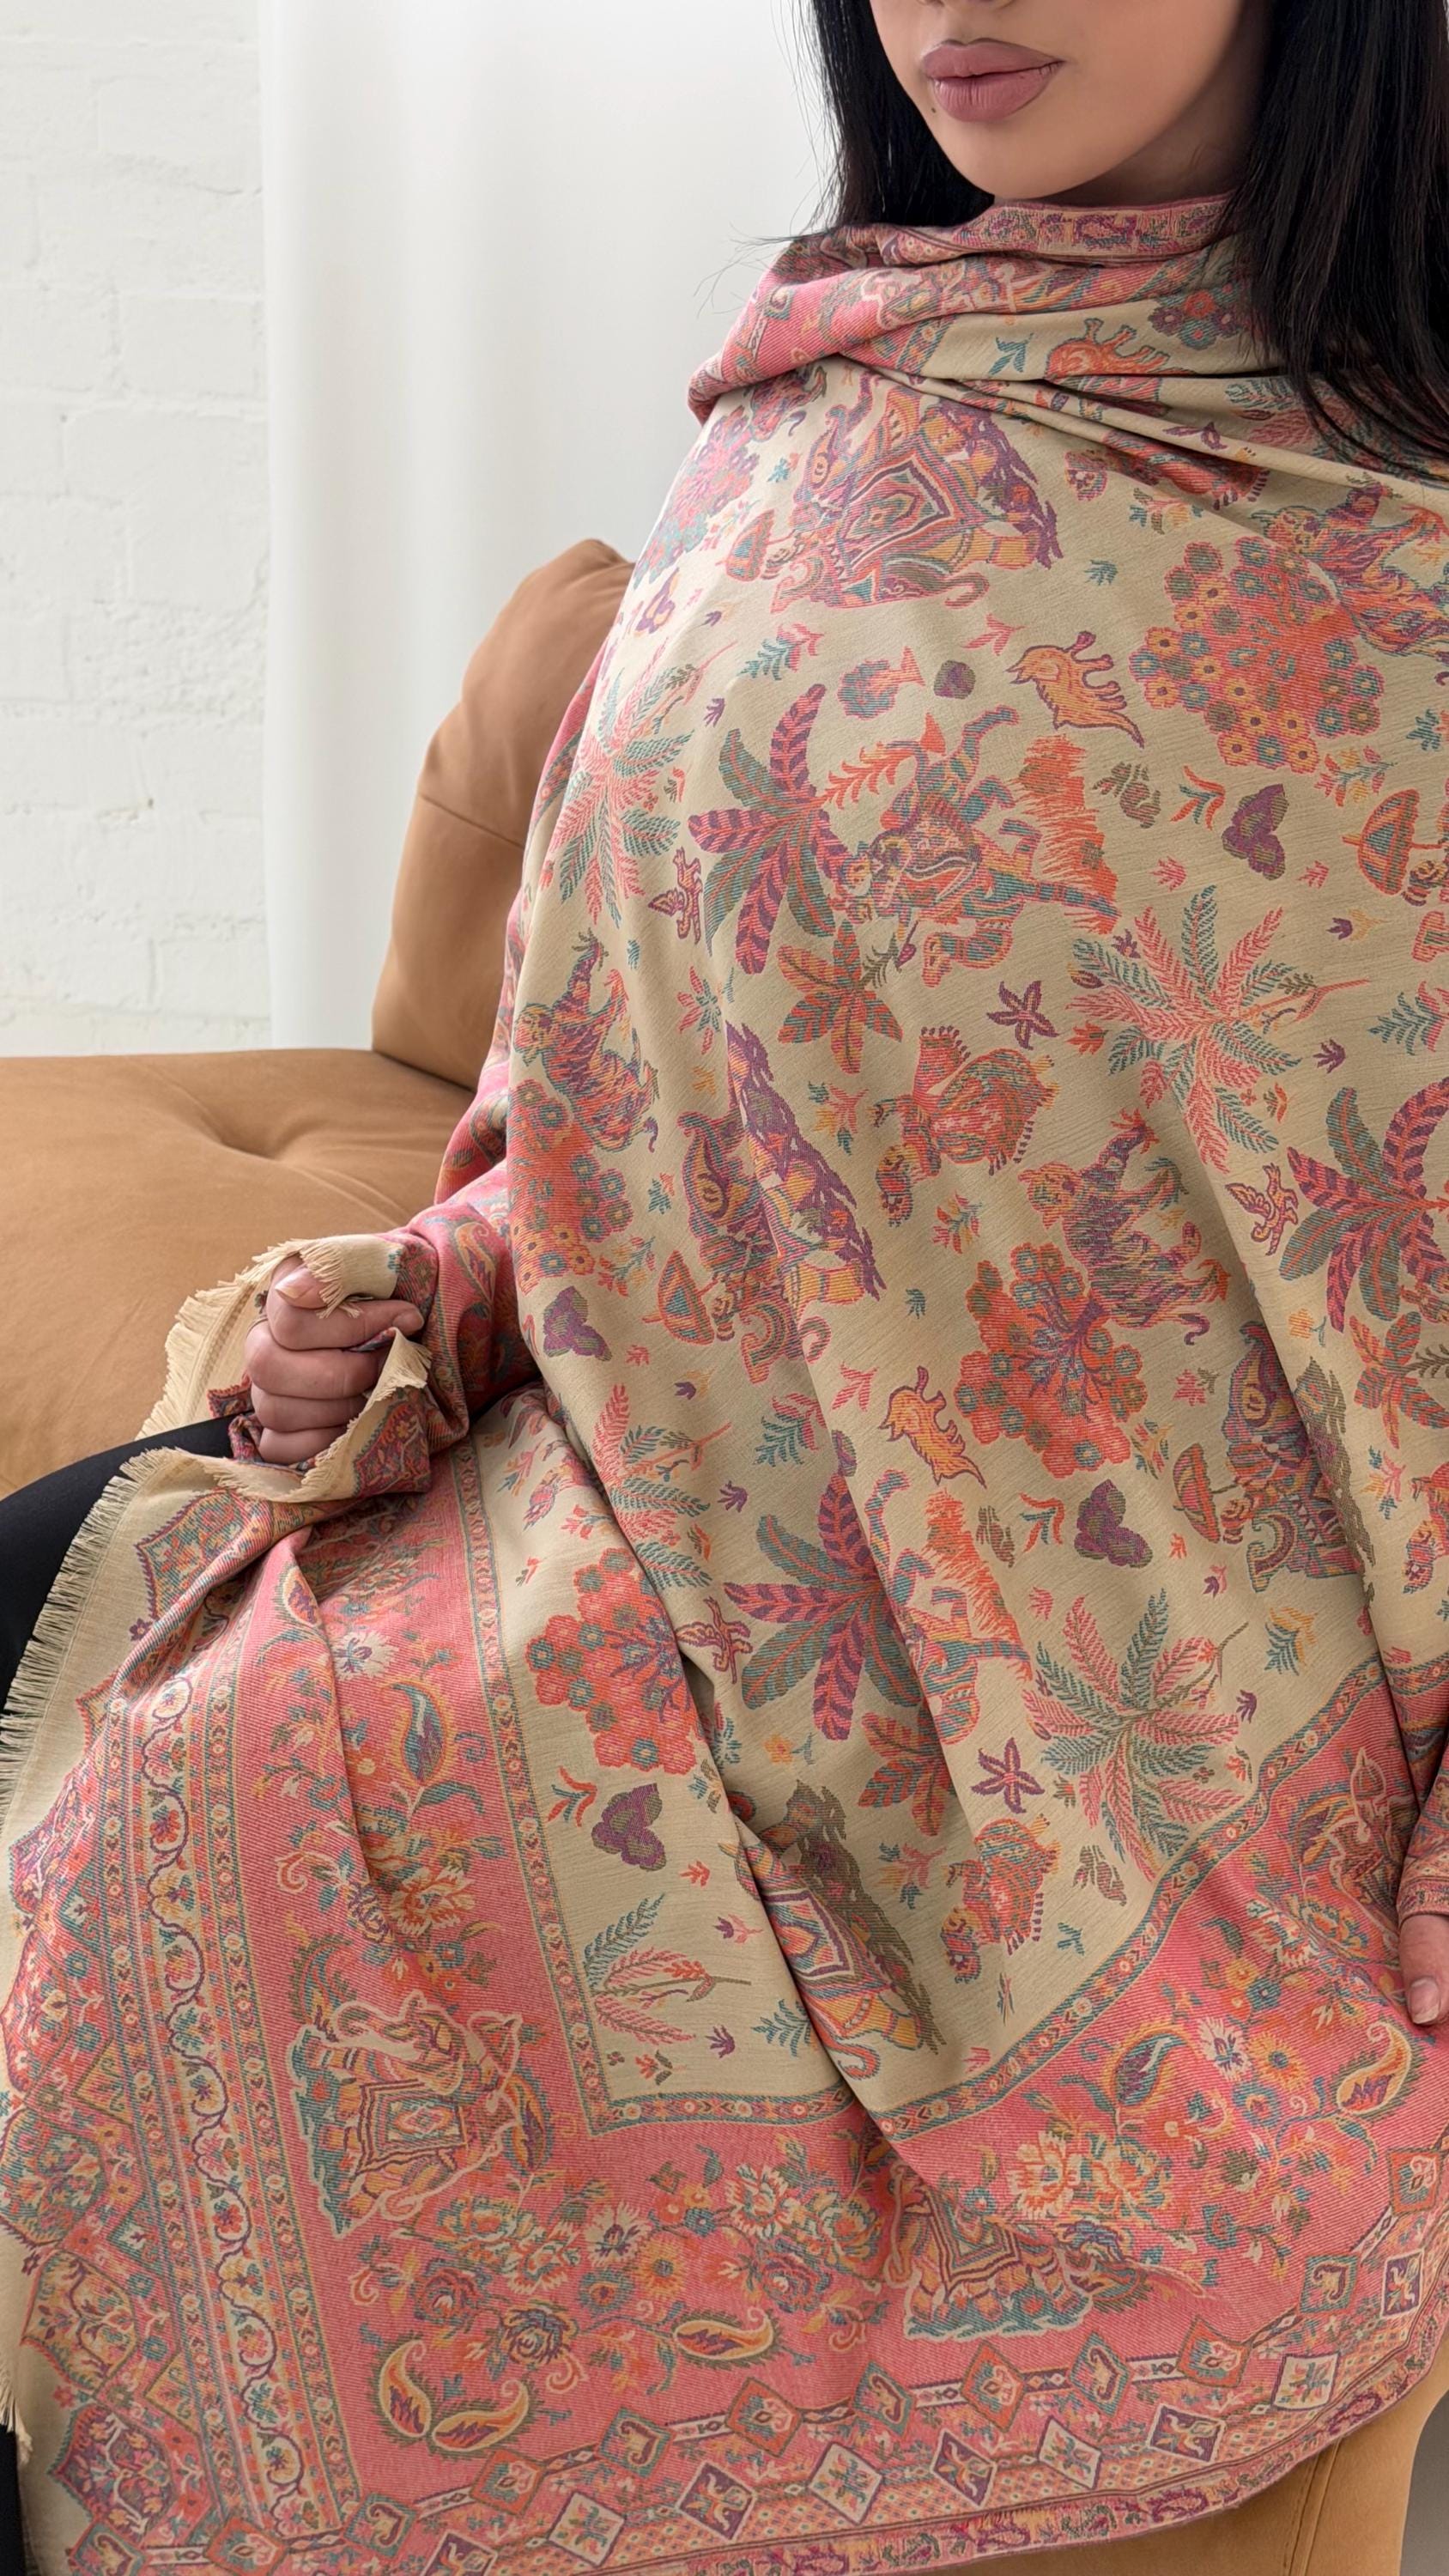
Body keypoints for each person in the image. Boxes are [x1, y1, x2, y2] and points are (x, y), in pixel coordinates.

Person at [3, 3, 1449, 2568]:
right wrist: (427, 1289)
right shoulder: (828, 410)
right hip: (598, 1502)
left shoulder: (1396, 568)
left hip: (1084, 1809)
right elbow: (628, 1113)